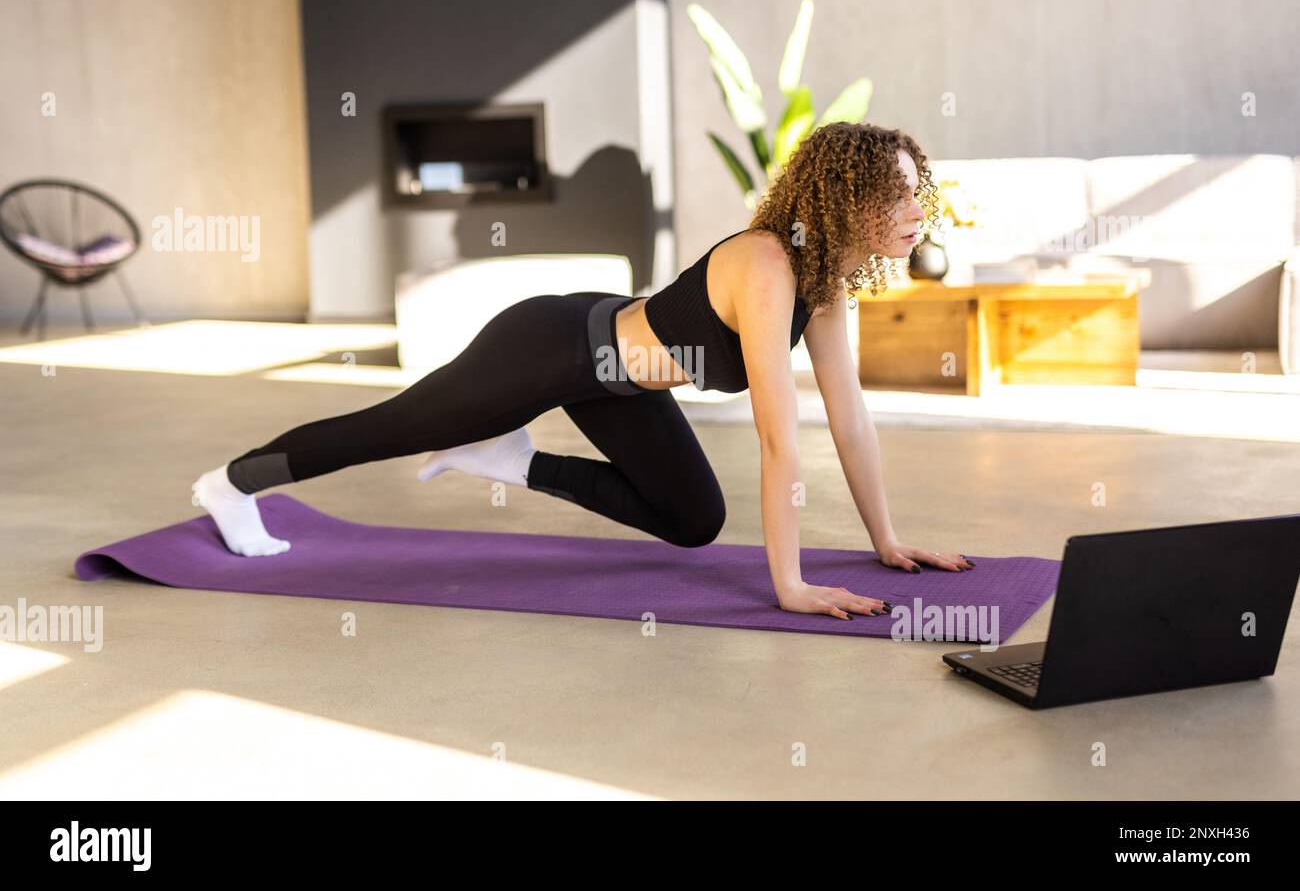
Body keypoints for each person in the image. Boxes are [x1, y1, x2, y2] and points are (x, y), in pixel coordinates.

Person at [191, 122, 974, 620]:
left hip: (618, 379)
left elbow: (850, 416)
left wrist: (888, 541)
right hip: (556, 344)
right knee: (392, 427)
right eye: (897, 193)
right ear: (846, 196)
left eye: (916, 191)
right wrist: (790, 586)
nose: (916, 209)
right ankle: (231, 482)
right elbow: (779, 439)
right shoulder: (769, 266)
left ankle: (513, 458)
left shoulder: (824, 281)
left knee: (694, 520)